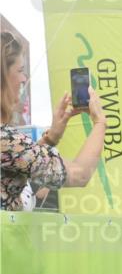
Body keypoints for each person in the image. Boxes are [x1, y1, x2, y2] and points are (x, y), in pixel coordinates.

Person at [1, 31, 109, 210]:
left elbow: (20, 162)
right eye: (20, 70)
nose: (24, 78)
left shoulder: (10, 146)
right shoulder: (7, 142)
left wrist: (51, 137)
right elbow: (79, 174)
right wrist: (100, 122)